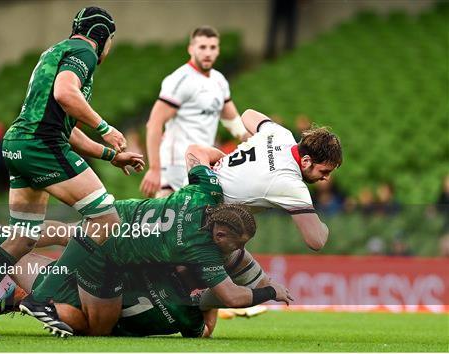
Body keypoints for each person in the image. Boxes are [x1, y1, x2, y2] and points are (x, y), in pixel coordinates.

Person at [0, 6, 143, 338]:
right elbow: (65, 94)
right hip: (40, 146)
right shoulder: (85, 51)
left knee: (22, 239)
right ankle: (42, 297)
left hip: (17, 145)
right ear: (104, 36)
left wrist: (110, 155)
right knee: (106, 219)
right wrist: (105, 127)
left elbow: (68, 126)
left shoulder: (54, 52)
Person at [19, 151, 292, 337]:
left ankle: (8, 240)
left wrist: (226, 163)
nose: (237, 250)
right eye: (237, 244)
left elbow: (195, 152)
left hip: (121, 213)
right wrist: (270, 292)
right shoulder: (200, 251)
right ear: (220, 236)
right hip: (111, 252)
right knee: (97, 329)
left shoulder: (205, 193)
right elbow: (230, 297)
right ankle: (29, 296)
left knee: (65, 232)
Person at [0, 232, 284, 338]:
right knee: (25, 255)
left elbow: (213, 306)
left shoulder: (191, 306)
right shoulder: (181, 296)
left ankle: (24, 293)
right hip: (91, 290)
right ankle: (26, 291)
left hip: (90, 294)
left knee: (26, 255)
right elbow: (212, 312)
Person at [190, 109, 342, 251]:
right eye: (324, 171)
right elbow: (316, 241)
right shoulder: (292, 185)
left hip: (192, 194)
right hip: (199, 227)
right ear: (306, 161)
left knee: (256, 275)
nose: (326, 178)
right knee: (253, 276)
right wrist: (324, 228)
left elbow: (247, 114)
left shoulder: (281, 133)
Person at [140, 26, 248, 198]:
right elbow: (154, 123)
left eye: (212, 47)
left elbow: (232, 121)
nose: (208, 52)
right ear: (191, 49)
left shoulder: (219, 80)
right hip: (175, 164)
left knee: (195, 220)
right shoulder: (180, 80)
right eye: (202, 47)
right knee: (168, 218)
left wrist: (254, 141)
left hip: (202, 163)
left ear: (218, 50)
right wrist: (154, 169)